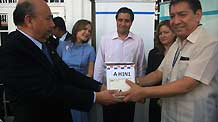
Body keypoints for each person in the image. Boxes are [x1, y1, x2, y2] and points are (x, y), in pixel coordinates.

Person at [0, 0, 120, 122]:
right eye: (48, 19)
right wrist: (95, 97)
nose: (53, 25)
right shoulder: (12, 49)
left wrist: (99, 87)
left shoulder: (45, 43)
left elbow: (66, 72)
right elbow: (47, 91)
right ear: (29, 20)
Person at [120, 0, 218, 122]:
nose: (176, 21)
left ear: (198, 15)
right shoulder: (177, 43)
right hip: (168, 115)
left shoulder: (209, 43)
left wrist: (143, 92)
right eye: (172, 16)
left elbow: (187, 85)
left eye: (182, 15)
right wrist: (132, 82)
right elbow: (159, 73)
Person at [94, 7, 146, 122]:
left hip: (129, 93)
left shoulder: (138, 41)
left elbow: (141, 66)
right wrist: (98, 90)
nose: (123, 23)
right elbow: (99, 66)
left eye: (126, 21)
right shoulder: (105, 39)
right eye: (120, 20)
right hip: (109, 92)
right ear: (116, 20)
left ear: (131, 23)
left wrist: (140, 89)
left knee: (127, 119)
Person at [57, 19, 96, 122]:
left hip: (80, 90)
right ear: (77, 29)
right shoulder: (62, 46)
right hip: (64, 89)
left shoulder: (90, 50)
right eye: (84, 29)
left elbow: (90, 73)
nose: (87, 32)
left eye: (89, 31)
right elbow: (56, 68)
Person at [146, 20, 176, 122]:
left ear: (174, 33)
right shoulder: (153, 53)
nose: (162, 36)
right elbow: (150, 75)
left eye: (166, 32)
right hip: (155, 98)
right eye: (160, 33)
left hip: (175, 98)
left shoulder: (180, 51)